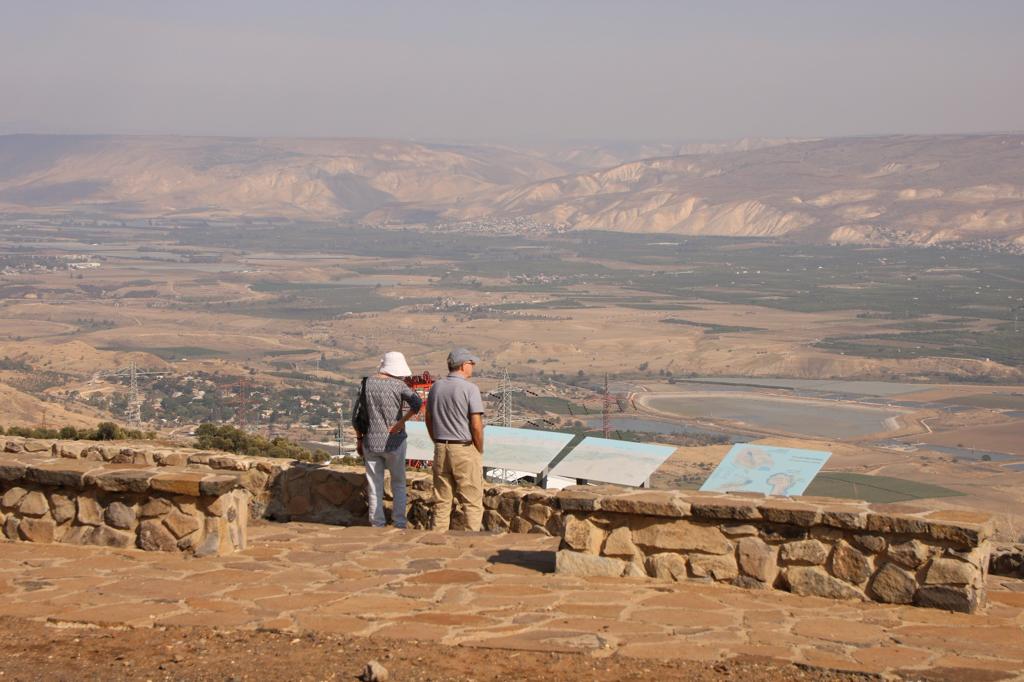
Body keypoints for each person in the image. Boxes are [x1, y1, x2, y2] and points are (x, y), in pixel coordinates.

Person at [353, 351, 422, 529]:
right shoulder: (399, 385)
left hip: (371, 441)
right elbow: (417, 403)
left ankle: (377, 523)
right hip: (395, 441)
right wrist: (401, 422)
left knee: (374, 485)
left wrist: (359, 439)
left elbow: (356, 415)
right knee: (398, 483)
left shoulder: (366, 383)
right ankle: (399, 522)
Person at [426, 347, 485, 531]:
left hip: (441, 447)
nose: (472, 367)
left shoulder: (436, 386)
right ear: (463, 365)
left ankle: (436, 542)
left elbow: (428, 418)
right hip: (464, 448)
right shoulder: (470, 389)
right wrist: (479, 448)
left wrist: (436, 439)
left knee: (442, 501)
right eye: (471, 363)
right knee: (472, 502)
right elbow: (476, 424)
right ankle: (471, 545)